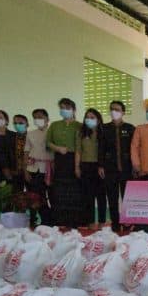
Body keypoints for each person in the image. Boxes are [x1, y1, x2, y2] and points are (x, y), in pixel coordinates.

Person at [99, 101, 135, 232]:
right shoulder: (104, 128)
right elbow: (101, 148)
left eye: (117, 109)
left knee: (127, 197)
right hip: (110, 168)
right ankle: (115, 223)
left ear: (123, 112)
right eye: (112, 109)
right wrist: (101, 165)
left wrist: (135, 166)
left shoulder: (130, 128)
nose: (114, 111)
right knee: (112, 197)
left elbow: (134, 148)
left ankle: (127, 222)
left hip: (127, 168)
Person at [47, 98, 83, 228]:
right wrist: (58, 148)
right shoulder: (55, 125)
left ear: (73, 110)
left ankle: (75, 221)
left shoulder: (79, 125)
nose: (64, 110)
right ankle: (60, 220)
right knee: (60, 191)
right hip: (59, 160)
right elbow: (48, 142)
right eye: (62, 108)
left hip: (75, 159)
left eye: (67, 108)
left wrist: (77, 165)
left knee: (74, 191)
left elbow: (81, 145)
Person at [23, 108, 53, 227]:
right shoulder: (30, 134)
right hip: (34, 169)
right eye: (35, 117)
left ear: (47, 119)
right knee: (37, 197)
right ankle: (45, 220)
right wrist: (25, 171)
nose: (38, 119)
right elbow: (26, 152)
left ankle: (52, 220)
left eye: (41, 117)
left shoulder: (52, 132)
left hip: (50, 169)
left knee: (52, 196)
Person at [76, 108, 105, 229]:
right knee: (88, 196)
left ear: (98, 120)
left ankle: (102, 221)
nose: (89, 119)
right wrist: (77, 167)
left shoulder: (103, 132)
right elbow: (78, 150)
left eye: (92, 117)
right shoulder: (80, 132)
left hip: (100, 167)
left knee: (101, 195)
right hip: (85, 166)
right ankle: (91, 221)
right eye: (87, 117)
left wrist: (102, 165)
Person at [11, 114, 29, 190]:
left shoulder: (32, 136)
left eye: (21, 123)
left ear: (27, 124)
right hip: (15, 172)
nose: (17, 125)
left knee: (33, 196)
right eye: (15, 123)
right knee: (16, 196)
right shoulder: (10, 137)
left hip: (30, 172)